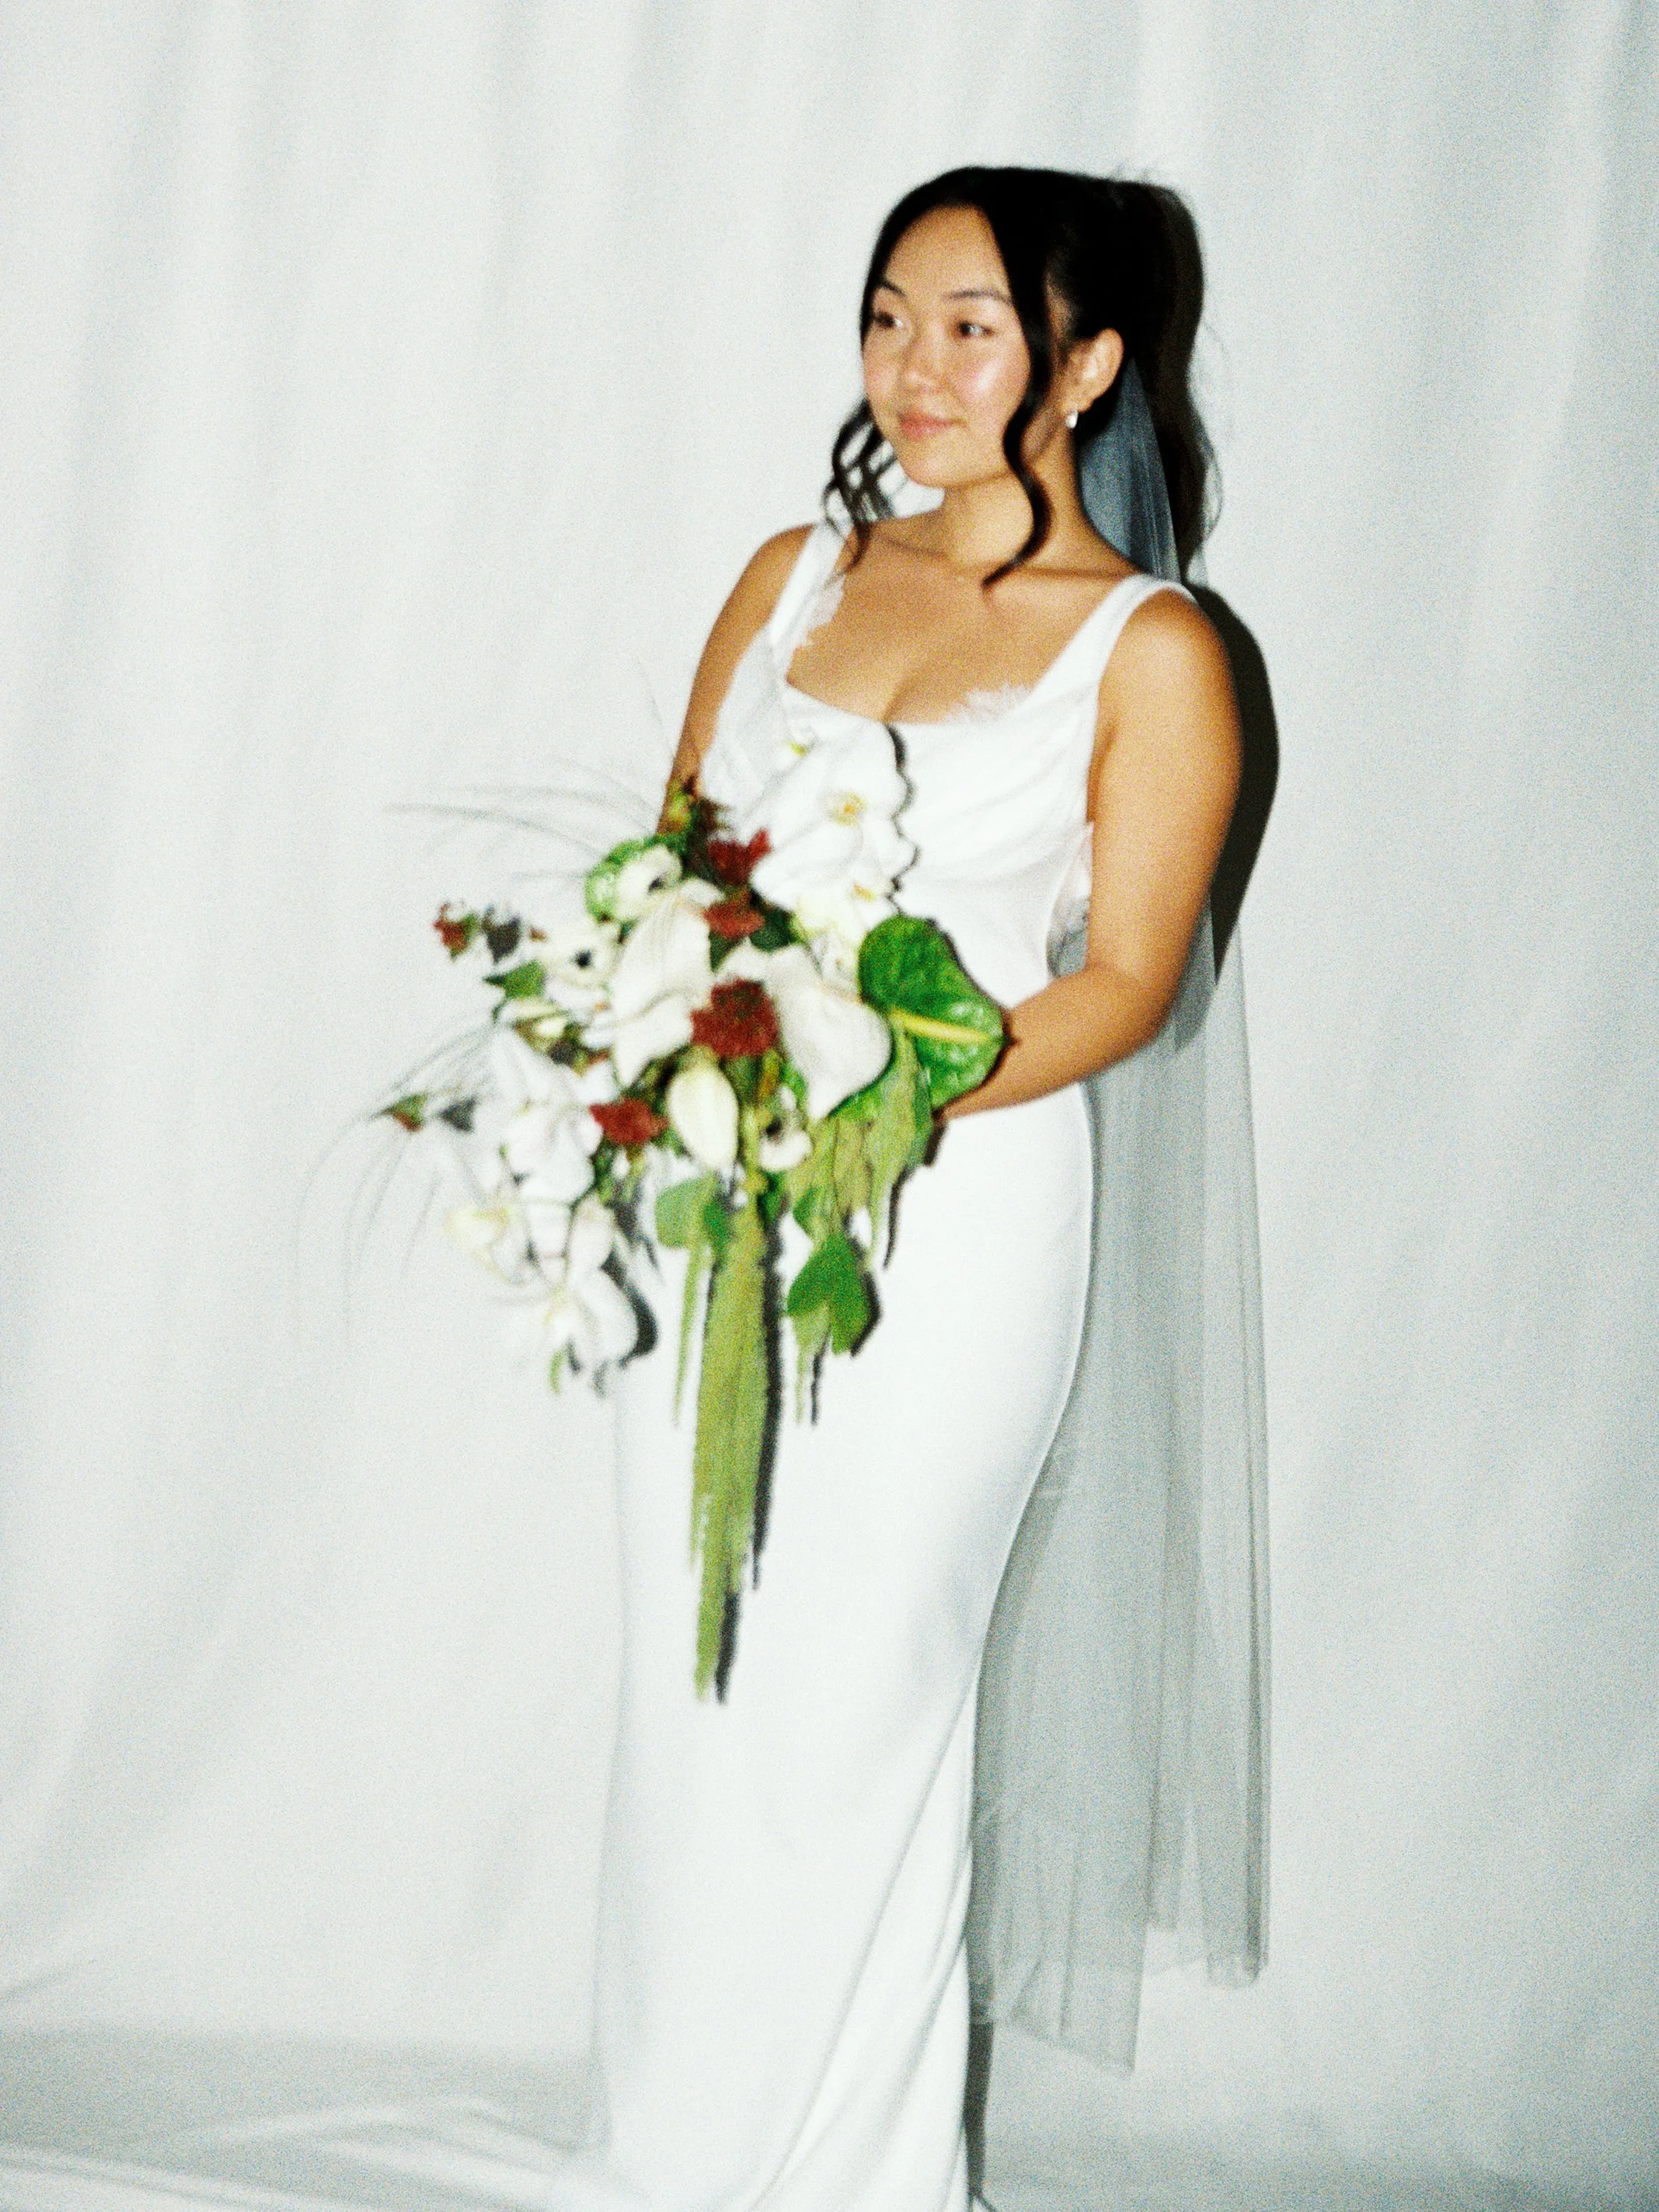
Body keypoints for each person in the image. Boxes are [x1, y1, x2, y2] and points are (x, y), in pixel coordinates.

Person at [566, 165, 1265, 2212]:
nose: (913, 365)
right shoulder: (796, 571)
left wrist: (895, 1081)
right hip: (722, 1202)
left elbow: (1128, 976)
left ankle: (851, 2180)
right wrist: (681, 1061)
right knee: (697, 1676)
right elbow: (682, 864)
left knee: (868, 1683)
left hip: (952, 1224)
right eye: (887, 316)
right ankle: (674, 2150)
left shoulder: (1155, 650)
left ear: (1088, 359)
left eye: (969, 323)